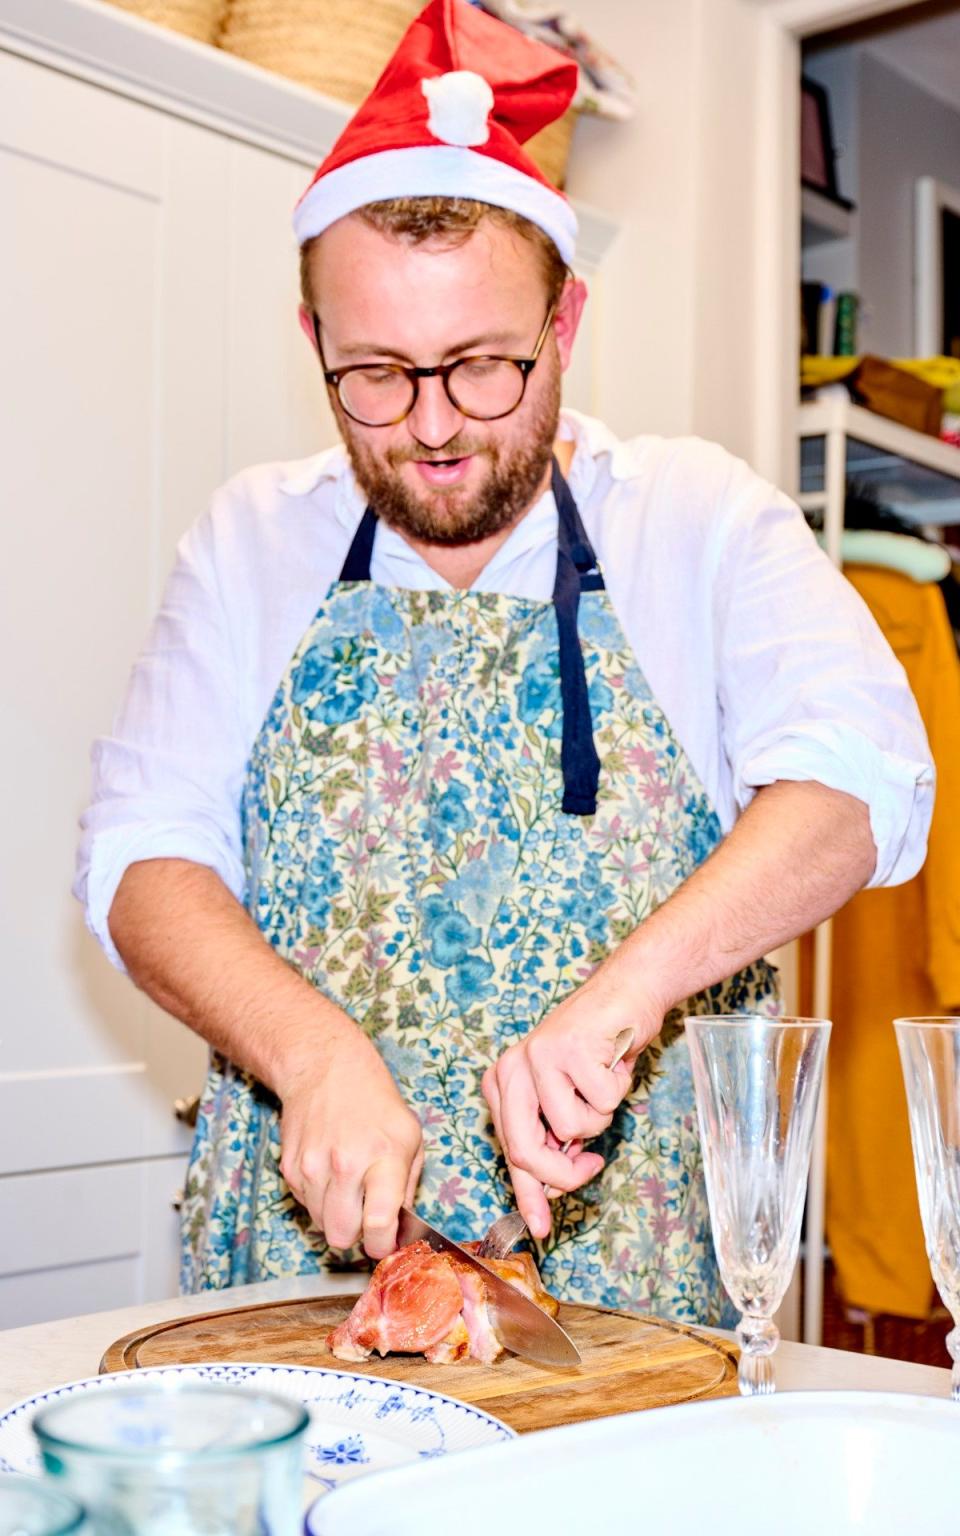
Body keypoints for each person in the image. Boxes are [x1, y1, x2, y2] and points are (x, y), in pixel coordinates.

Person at [75, 0, 933, 1324]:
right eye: (374, 373)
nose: (430, 430)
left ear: (568, 324)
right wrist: (308, 1057)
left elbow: (865, 785)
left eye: (482, 368)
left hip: (630, 1298)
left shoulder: (694, 520)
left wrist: (624, 996)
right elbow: (140, 860)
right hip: (299, 1275)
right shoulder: (250, 543)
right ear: (312, 341)